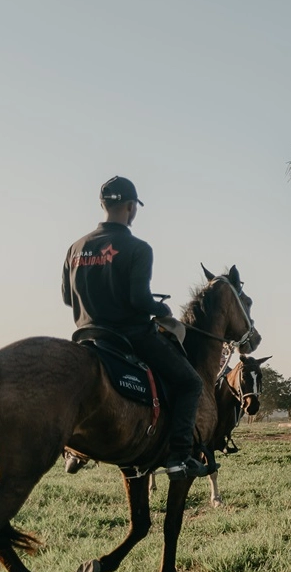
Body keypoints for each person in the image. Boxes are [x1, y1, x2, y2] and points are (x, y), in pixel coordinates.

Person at [62, 177, 206, 479]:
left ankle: (74, 449)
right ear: (131, 207)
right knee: (190, 383)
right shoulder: (138, 247)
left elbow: (66, 298)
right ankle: (180, 457)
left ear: (103, 204)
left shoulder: (76, 248)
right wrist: (161, 308)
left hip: (87, 335)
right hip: (130, 337)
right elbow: (139, 299)